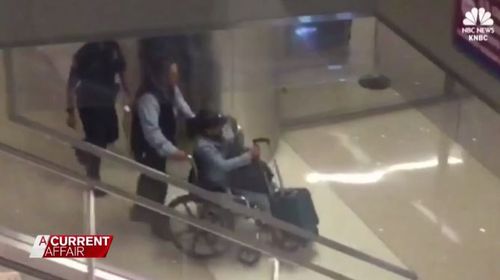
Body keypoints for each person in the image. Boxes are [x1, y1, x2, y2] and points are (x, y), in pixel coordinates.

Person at [129, 53, 195, 238]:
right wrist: (173, 151)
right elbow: (152, 133)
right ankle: (156, 223)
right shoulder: (148, 99)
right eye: (172, 74)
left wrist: (200, 124)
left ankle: (140, 211)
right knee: (156, 182)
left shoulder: (170, 90)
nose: (176, 78)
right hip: (147, 147)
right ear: (161, 75)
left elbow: (184, 109)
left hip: (159, 145)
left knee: (151, 177)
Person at [66, 41, 131, 197]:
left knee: (111, 135)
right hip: (88, 102)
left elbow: (121, 73)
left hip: (106, 101)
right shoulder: (85, 52)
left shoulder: (114, 47)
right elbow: (71, 82)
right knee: (98, 141)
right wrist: (70, 110)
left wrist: (128, 94)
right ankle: (94, 180)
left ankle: (84, 146)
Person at [193, 110, 270, 211]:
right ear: (208, 130)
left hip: (230, 176)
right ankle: (269, 220)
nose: (221, 128)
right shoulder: (204, 147)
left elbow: (231, 147)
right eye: (218, 126)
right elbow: (224, 165)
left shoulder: (216, 138)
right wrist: (248, 156)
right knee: (262, 199)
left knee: (263, 175)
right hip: (219, 181)